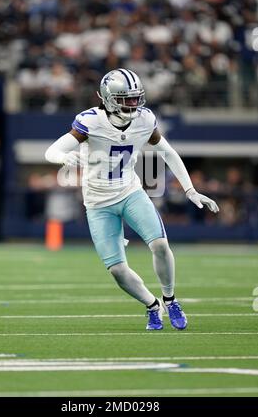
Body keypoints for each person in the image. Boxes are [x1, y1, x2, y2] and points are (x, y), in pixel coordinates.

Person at [45, 69, 219, 330]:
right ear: (107, 98)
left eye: (136, 98)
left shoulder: (145, 119)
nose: (133, 104)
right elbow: (53, 150)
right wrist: (64, 157)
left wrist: (190, 190)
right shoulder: (90, 121)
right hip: (98, 203)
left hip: (130, 192)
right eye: (126, 99)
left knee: (160, 243)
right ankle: (152, 305)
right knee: (117, 270)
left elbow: (168, 153)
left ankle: (170, 300)